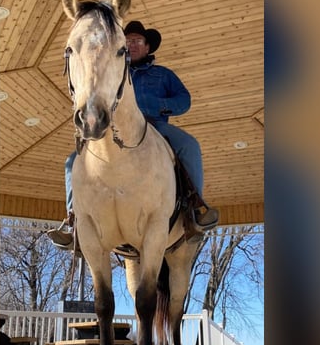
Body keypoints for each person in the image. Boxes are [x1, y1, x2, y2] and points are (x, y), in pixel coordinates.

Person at [47, 20, 219, 250]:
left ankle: (195, 208)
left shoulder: (163, 74)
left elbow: (183, 101)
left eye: (138, 41)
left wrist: (157, 105)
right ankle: (74, 220)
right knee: (72, 161)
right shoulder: (111, 71)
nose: (132, 44)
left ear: (148, 47)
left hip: (156, 126)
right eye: (128, 41)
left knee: (189, 145)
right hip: (114, 130)